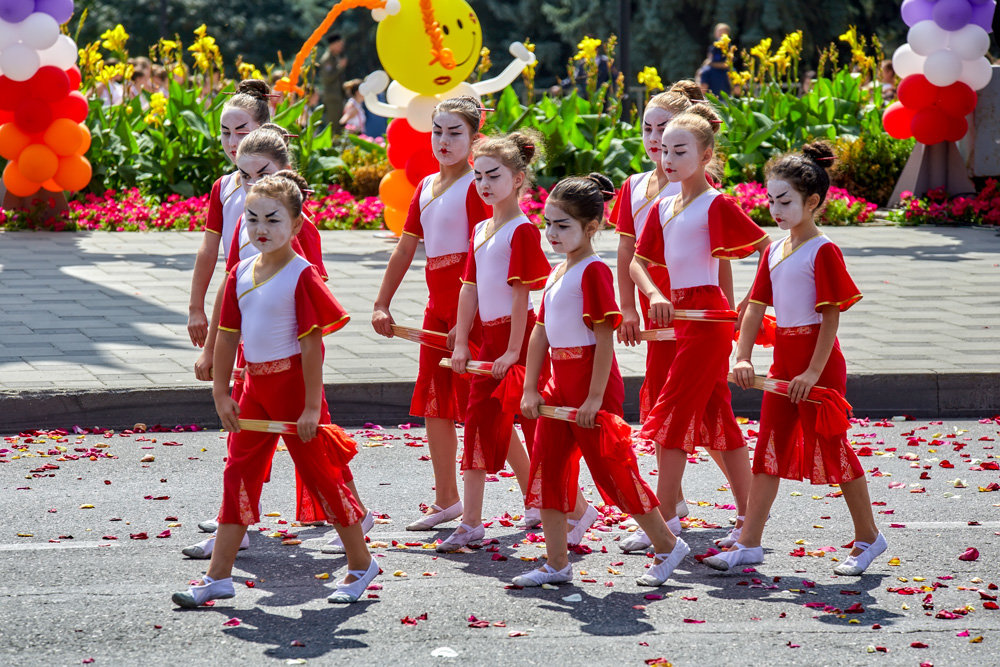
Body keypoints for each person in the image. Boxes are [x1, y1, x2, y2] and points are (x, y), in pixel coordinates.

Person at [172, 171, 378, 607]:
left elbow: (311, 346)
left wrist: (309, 408)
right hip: (254, 389)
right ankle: (218, 577)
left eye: (273, 219)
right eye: (252, 219)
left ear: (297, 225)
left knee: (322, 477)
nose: (261, 229)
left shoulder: (302, 275)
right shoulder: (240, 272)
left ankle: (361, 564)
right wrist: (221, 392)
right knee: (237, 476)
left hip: (293, 390)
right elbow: (227, 335)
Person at [706, 143, 885, 575]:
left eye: (784, 201)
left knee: (834, 448)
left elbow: (830, 317)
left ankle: (869, 538)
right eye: (770, 200)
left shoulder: (823, 251)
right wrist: (742, 355)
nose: (775, 209)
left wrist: (812, 371)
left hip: (817, 366)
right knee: (768, 449)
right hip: (784, 363)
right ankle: (749, 542)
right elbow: (754, 308)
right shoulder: (775, 249)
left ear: (813, 202)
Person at [515, 174, 689, 588]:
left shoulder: (593, 271)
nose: (552, 233)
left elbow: (604, 337)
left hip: (592, 387)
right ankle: (556, 563)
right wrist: (530, 386)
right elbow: (540, 331)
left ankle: (667, 544)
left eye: (563, 226)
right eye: (548, 224)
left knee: (615, 474)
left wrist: (595, 397)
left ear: (592, 228)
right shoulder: (559, 272)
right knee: (549, 471)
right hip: (560, 384)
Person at [632, 103, 770, 551]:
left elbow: (768, 249)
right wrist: (654, 294)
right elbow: (639, 261)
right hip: (679, 315)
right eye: (664, 150)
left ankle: (665, 519)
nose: (668, 159)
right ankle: (749, 519)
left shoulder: (718, 205)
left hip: (708, 319)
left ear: (707, 156)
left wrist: (747, 305)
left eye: (680, 150)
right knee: (717, 417)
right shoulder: (663, 205)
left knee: (670, 414)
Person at [612, 81, 736, 553]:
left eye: (664, 130)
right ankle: (674, 503)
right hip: (656, 307)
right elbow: (628, 253)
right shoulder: (635, 187)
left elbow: (722, 259)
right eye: (647, 129)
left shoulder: (702, 191)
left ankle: (742, 509)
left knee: (706, 407)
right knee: (666, 403)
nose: (654, 141)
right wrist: (626, 308)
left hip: (700, 311)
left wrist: (728, 316)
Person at [371, 97, 490, 532]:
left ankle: (543, 498)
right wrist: (382, 302)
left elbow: (486, 255)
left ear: (475, 137)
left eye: (455, 132)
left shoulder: (479, 186)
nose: (443, 140)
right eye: (438, 131)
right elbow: (405, 248)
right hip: (436, 312)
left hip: (471, 310)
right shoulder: (424, 187)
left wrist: (468, 320)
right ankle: (446, 498)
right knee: (435, 407)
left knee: (487, 410)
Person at [439, 130, 561, 551]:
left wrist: (513, 351)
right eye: (477, 177)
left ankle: (562, 507)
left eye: (494, 175)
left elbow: (521, 294)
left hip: (522, 337)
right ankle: (471, 522)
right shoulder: (480, 229)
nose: (484, 185)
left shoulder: (523, 231)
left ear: (519, 178)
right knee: (475, 423)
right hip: (490, 341)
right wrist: (459, 343)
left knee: (535, 427)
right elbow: (468, 288)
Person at [189, 80, 271, 380]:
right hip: (238, 302)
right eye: (225, 133)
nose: (232, 142)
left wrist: (210, 349)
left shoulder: (284, 190)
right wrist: (195, 307)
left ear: (263, 129)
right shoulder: (223, 187)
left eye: (241, 131)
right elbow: (209, 250)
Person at [319, 34, 348, 128]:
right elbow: (327, 79)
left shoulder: (336, 57)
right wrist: (340, 68)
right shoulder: (327, 59)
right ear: (332, 45)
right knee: (335, 126)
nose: (341, 47)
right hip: (332, 98)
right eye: (339, 45)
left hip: (338, 96)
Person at [701, 23, 732, 96]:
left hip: (725, 71)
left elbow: (728, 63)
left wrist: (711, 63)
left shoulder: (729, 46)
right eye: (719, 31)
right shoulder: (714, 46)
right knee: (703, 72)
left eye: (723, 32)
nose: (720, 34)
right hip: (712, 70)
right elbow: (709, 59)